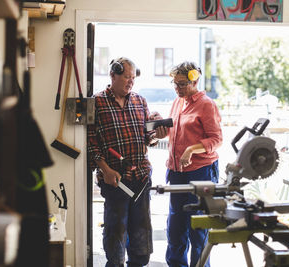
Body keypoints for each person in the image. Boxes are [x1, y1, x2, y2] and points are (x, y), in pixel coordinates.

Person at [87, 57, 161, 267]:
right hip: (115, 179)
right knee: (115, 229)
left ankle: (138, 263)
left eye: (133, 78)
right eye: (127, 77)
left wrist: (157, 135)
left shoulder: (140, 101)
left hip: (141, 176)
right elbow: (91, 142)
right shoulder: (97, 102)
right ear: (113, 75)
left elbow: (149, 138)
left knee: (141, 228)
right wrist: (105, 170)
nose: (131, 82)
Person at [155, 61, 223, 267]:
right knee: (175, 227)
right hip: (176, 172)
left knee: (198, 229)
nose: (178, 88)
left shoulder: (206, 105)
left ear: (195, 80)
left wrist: (191, 149)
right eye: (174, 83)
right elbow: (176, 131)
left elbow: (217, 139)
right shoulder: (178, 101)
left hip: (200, 172)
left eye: (182, 84)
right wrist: (160, 125)